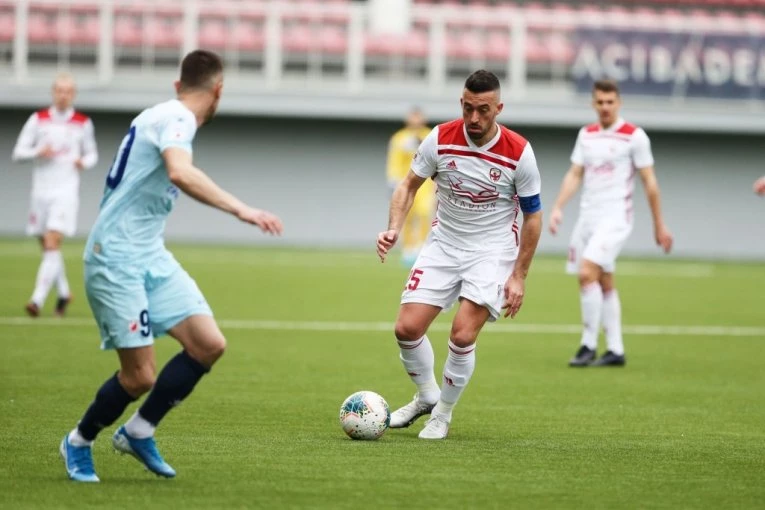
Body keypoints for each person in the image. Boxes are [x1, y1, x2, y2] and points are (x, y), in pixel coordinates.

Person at [59, 50, 283, 483]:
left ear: (178, 84)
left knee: (208, 344)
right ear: (219, 91)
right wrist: (242, 209)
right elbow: (180, 171)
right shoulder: (177, 118)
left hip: (149, 254)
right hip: (116, 258)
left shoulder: (161, 114)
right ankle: (79, 441)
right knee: (139, 376)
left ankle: (139, 431)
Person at [376, 70, 543, 440]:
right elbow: (408, 186)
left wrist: (519, 276)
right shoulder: (440, 138)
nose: (474, 118)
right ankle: (427, 396)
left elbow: (533, 217)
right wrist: (394, 228)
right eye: (468, 108)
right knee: (406, 329)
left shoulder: (519, 152)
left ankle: (443, 413)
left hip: (492, 251)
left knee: (463, 334)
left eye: (483, 110)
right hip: (444, 244)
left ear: (499, 108)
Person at [548, 79, 673, 368]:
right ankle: (615, 349)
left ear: (619, 103)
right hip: (588, 218)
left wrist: (659, 225)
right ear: (593, 103)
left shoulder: (634, 137)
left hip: (615, 218)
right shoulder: (586, 135)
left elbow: (649, 182)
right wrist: (558, 207)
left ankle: (588, 345)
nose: (605, 107)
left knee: (586, 273)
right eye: (600, 102)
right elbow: (575, 173)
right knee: (603, 280)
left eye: (610, 102)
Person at [12, 73, 98, 318]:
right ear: (53, 92)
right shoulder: (37, 120)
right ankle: (64, 293)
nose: (63, 95)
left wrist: (84, 162)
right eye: (59, 90)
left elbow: (92, 154)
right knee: (48, 247)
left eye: (68, 91)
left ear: (73, 94)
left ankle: (36, 300)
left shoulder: (83, 123)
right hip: (40, 191)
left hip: (66, 191)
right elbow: (18, 153)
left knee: (52, 241)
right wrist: (38, 151)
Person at [386, 107, 436, 267]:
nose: (415, 119)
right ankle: (408, 248)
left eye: (418, 116)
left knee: (424, 213)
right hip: (405, 182)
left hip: (425, 183)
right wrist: (393, 180)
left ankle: (421, 246)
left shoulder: (430, 135)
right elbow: (394, 160)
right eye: (413, 116)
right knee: (406, 215)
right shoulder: (399, 138)